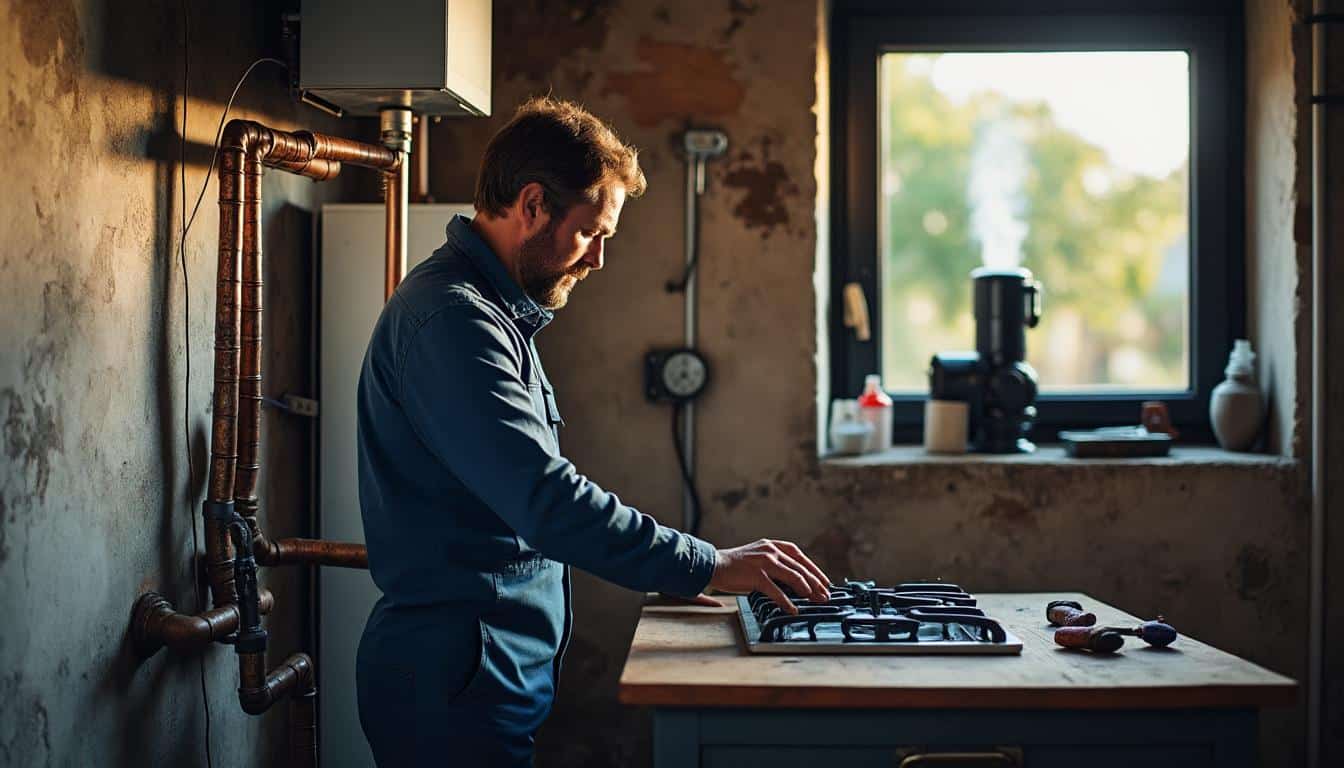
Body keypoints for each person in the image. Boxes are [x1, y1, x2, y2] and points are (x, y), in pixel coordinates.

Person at [355, 96, 831, 766]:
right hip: (452, 682)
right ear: (532, 206)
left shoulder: (492, 314)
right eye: (589, 232)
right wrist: (709, 566)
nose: (597, 259)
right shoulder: (454, 323)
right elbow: (547, 502)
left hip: (480, 672)